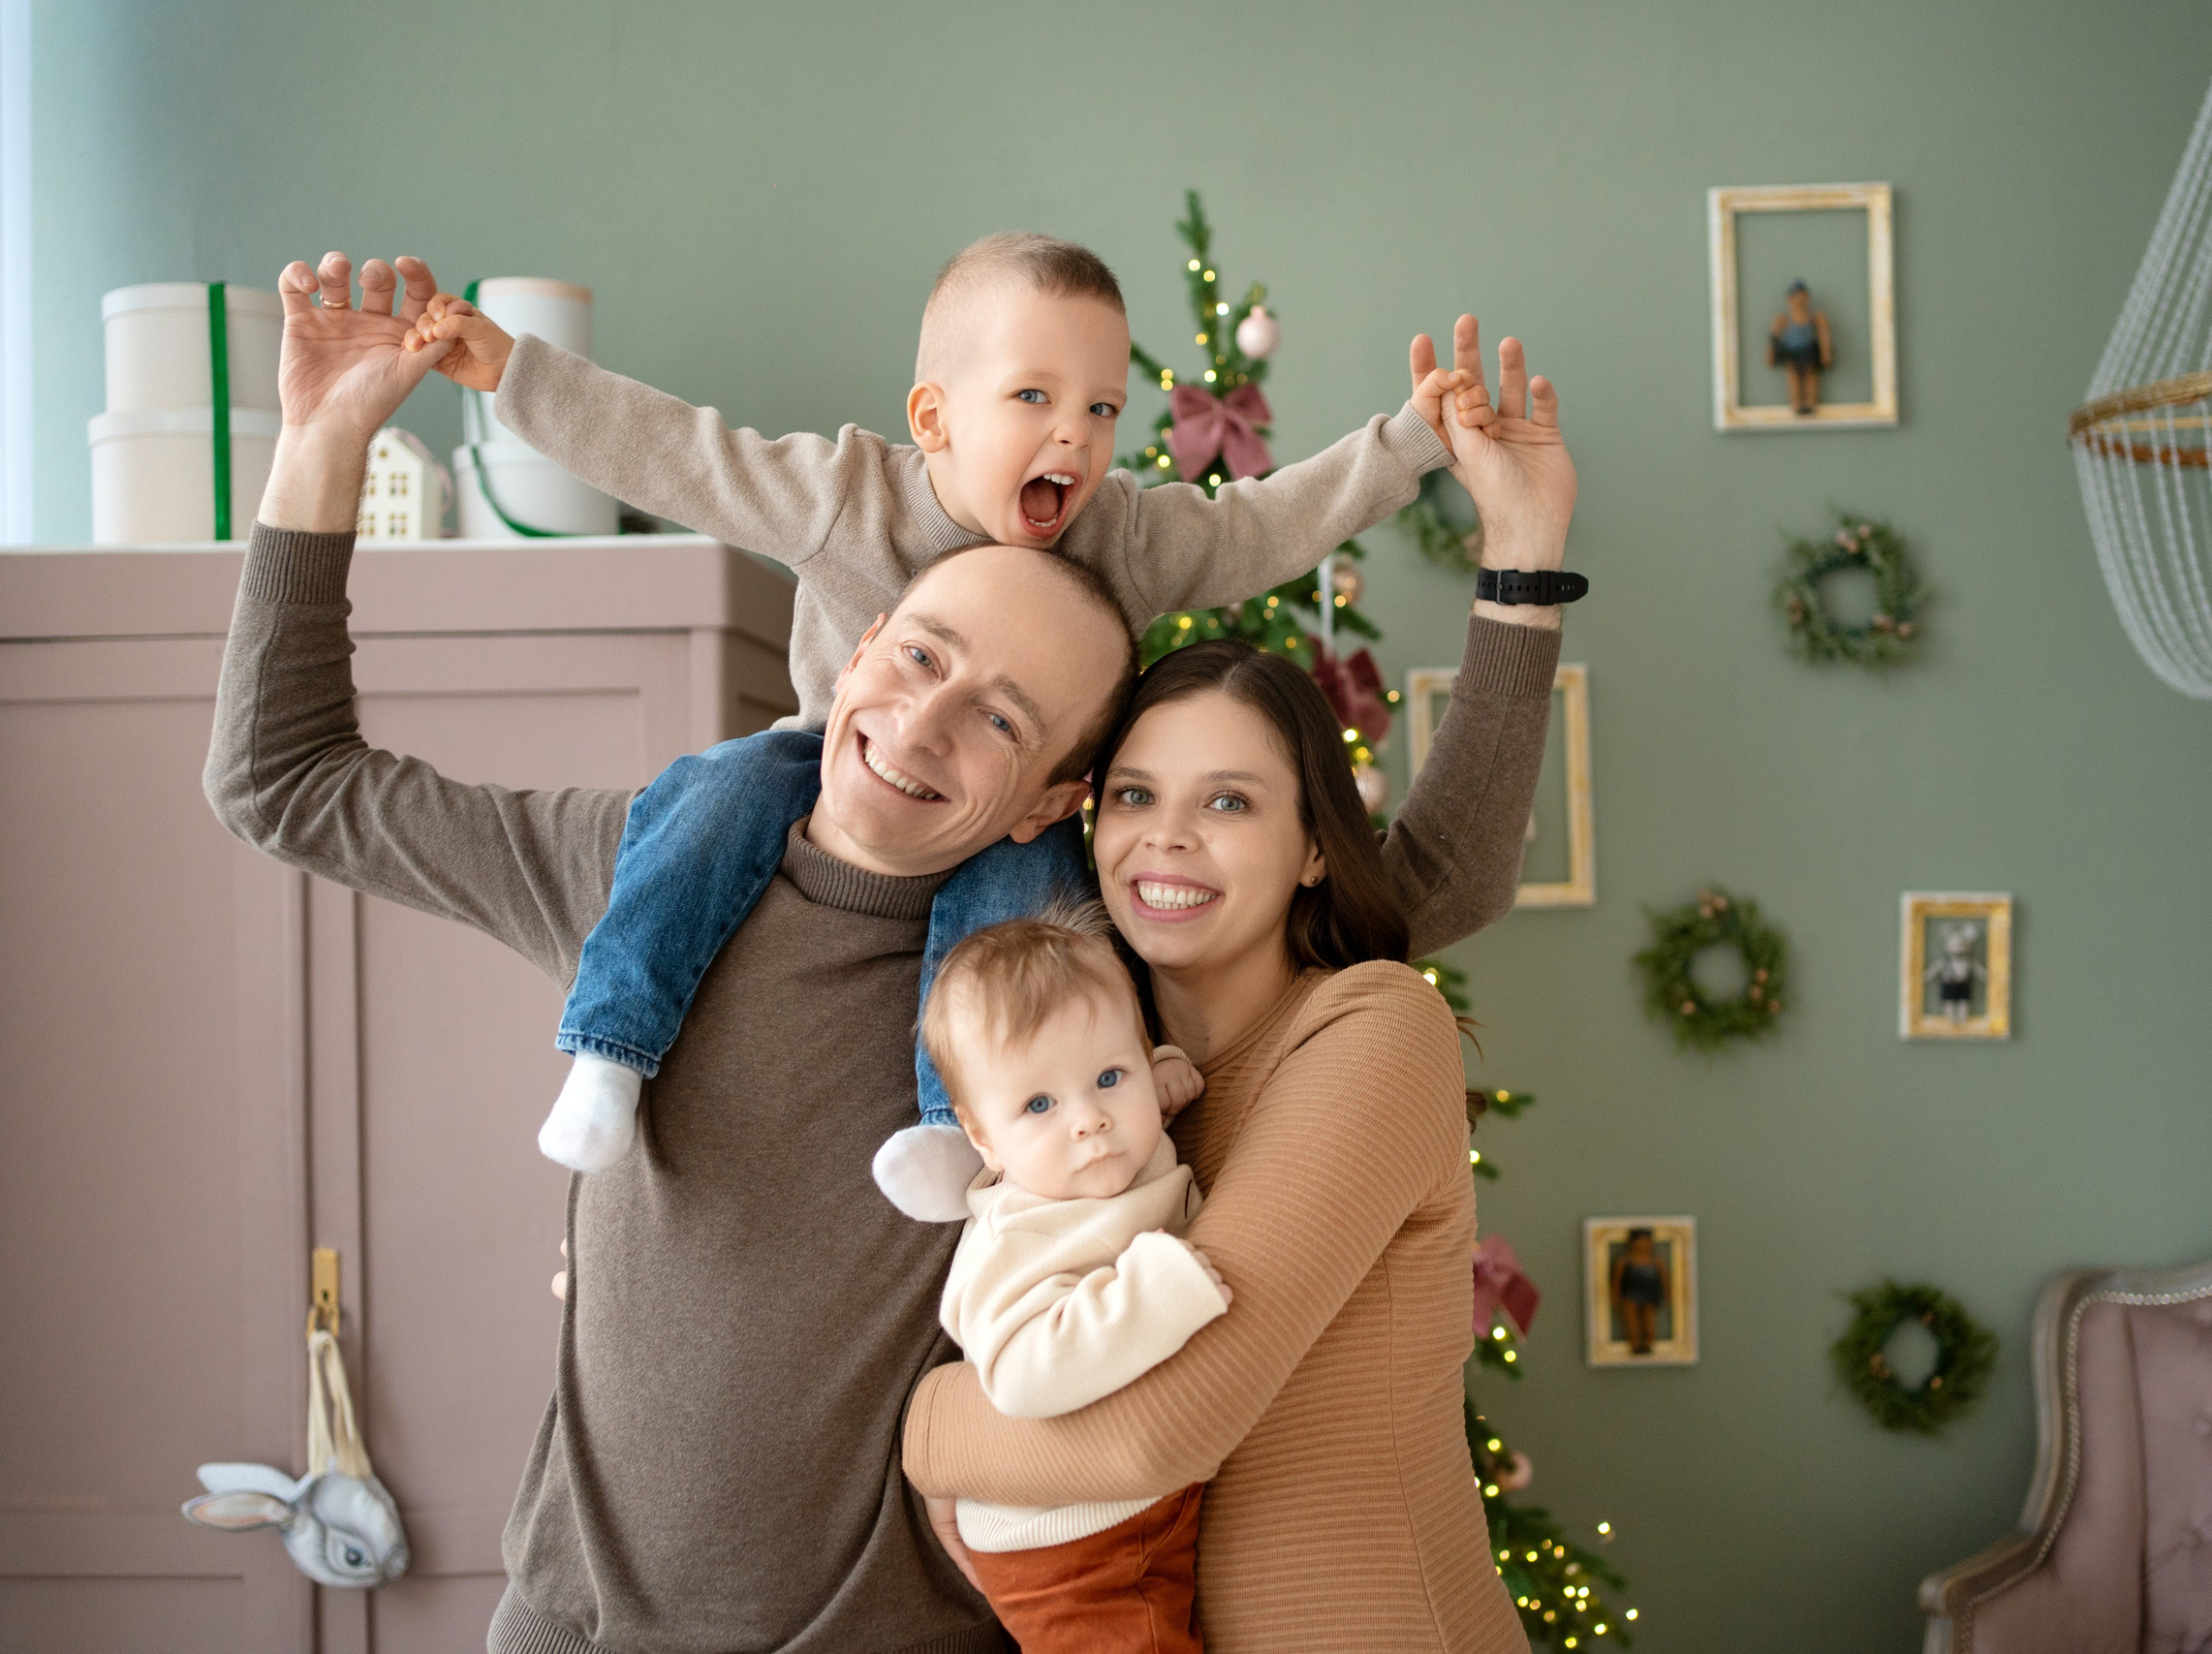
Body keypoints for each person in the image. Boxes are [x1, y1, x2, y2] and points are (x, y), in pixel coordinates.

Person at [207, 247, 1569, 1654]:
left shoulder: (1065, 975)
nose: (922, 723)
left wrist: (1524, 560)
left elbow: (1422, 881)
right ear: (855, 649)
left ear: (1051, 799)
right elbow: (283, 781)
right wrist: (321, 447)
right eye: (919, 656)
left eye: (1002, 718)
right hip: (569, 1624)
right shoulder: (648, 871)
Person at [404, 234, 1475, 1202]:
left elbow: (1262, 525)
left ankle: (948, 1129)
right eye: (1033, 397)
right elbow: (681, 454)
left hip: (1010, 809)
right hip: (821, 762)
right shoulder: (848, 494)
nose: (1074, 434)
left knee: (1032, 901)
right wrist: (514, 374)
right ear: (934, 419)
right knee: (709, 793)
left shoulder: (1123, 536)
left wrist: (1406, 444)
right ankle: (611, 1048)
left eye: (1102, 410)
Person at [903, 335, 1576, 1652]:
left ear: (1315, 845)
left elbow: (1160, 1426)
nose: (1166, 839)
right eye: (1135, 796)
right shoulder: (1097, 1073)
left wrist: (926, 1423)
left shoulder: (1370, 1031)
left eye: (1229, 803)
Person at [917, 901, 1227, 1652]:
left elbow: (1108, 1091)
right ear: (984, 1137)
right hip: (1068, 1542)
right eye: (1039, 1104)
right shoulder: (1019, 1237)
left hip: (1125, 1504)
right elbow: (1025, 1375)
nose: (1088, 1119)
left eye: (1109, 1076)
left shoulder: (1105, 1149)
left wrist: (1154, 1079)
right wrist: (1157, 1292)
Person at [1767, 279, 1832, 415]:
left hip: (1808, 353)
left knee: (1811, 378)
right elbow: (1774, 337)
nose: (1799, 300)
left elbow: (1823, 336)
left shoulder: (1814, 318)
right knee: (1793, 379)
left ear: (1807, 298)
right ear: (1790, 299)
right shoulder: (1784, 319)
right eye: (1796, 297)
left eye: (1802, 297)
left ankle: (1810, 404)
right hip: (1791, 354)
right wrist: (1771, 355)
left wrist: (1826, 353)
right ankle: (1796, 404)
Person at [1613, 1228, 1667, 1355]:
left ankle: (1648, 1344)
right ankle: (1635, 1344)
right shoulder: (1625, 1261)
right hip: (1630, 1296)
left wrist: (1667, 1295)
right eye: (1639, 1241)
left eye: (1646, 1241)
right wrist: (1615, 1297)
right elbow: (1617, 1281)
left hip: (1650, 1296)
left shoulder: (1656, 1261)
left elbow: (1664, 1279)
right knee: (1631, 1321)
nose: (1643, 1245)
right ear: (1632, 1243)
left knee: (1649, 1320)